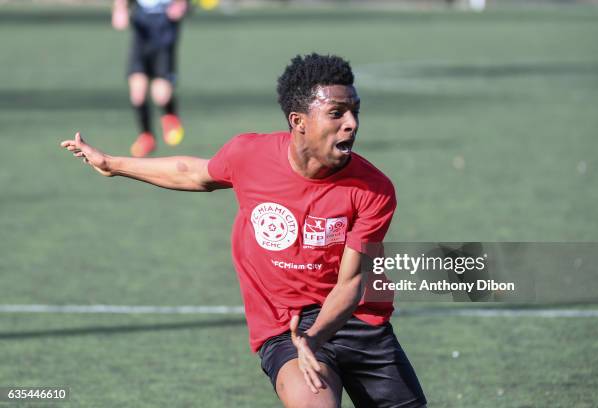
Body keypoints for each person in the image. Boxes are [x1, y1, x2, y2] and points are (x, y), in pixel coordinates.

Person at [61, 53, 427, 408]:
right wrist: (112, 164)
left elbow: (350, 284)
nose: (351, 123)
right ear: (298, 121)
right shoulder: (249, 155)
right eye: (336, 113)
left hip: (357, 319)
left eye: (354, 112)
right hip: (287, 323)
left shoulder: (374, 189)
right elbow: (194, 174)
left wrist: (314, 339)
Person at [112, 0, 188, 157]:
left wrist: (182, 5)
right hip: (141, 33)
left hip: (164, 31)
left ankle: (170, 115)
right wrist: (120, 9)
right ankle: (146, 136)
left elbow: (183, 5)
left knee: (161, 96)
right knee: (137, 95)